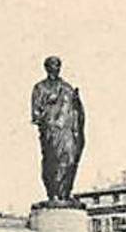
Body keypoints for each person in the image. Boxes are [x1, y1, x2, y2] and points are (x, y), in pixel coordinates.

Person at [31, 56, 86, 205]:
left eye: (57, 65)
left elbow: (76, 110)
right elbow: (36, 113)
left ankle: (65, 192)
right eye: (52, 65)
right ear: (46, 67)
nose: (55, 68)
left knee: (69, 158)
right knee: (52, 160)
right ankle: (54, 193)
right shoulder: (40, 88)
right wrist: (49, 112)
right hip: (51, 131)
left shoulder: (67, 88)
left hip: (67, 131)